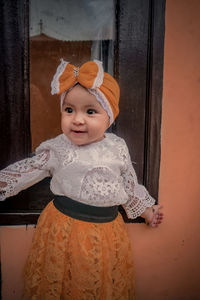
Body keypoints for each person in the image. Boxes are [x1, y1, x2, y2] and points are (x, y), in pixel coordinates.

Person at [0, 59, 163, 299]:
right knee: (63, 286)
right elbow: (27, 170)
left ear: (109, 116)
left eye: (90, 111)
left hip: (107, 234)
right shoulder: (59, 148)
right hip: (63, 230)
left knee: (99, 287)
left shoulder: (117, 147)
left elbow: (128, 185)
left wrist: (147, 211)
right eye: (69, 110)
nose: (77, 119)